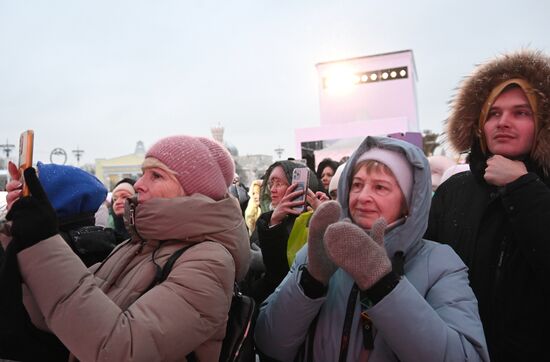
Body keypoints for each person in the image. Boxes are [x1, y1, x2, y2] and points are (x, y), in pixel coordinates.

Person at [1, 135, 250, 361]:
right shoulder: (136, 245)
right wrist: (21, 237)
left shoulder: (210, 262)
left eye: (157, 175)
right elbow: (60, 317)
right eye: (143, 173)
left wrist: (43, 243)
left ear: (193, 192)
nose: (139, 183)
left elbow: (122, 350)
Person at [255, 136, 488, 361]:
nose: (363, 196)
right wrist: (310, 282)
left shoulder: (440, 265)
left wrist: (384, 285)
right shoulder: (317, 250)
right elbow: (269, 343)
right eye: (356, 184)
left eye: (380, 187)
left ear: (409, 202)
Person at [425, 50, 550, 361]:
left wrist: (523, 188)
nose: (503, 122)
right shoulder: (454, 190)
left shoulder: (540, 190)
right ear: (479, 123)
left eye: (521, 112)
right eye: (493, 113)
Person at [250, 161, 323, 304]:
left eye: (279, 183)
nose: (272, 189)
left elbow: (283, 275)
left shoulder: (312, 222)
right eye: (271, 183)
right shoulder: (266, 221)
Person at [108, 177, 136, 242]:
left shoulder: (145, 231)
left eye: (124, 197)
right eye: (115, 199)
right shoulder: (109, 228)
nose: (117, 202)